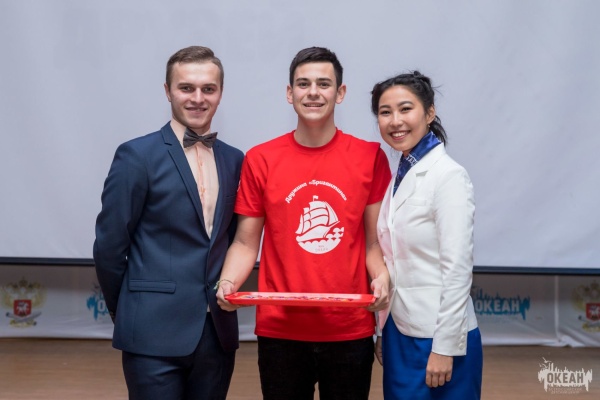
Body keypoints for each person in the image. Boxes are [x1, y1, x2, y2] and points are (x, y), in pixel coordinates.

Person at [215, 47, 392, 400]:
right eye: (303, 83)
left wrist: (382, 277)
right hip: (280, 331)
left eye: (324, 84)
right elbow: (245, 242)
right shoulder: (261, 159)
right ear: (289, 92)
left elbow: (373, 243)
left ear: (340, 93)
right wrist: (228, 281)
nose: (313, 92)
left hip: (349, 328)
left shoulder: (370, 156)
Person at [93, 45, 244, 400]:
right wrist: (126, 308)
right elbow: (110, 246)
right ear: (167, 91)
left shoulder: (235, 160)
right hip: (151, 330)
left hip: (216, 333)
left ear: (220, 93)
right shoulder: (136, 155)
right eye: (186, 88)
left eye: (208, 89)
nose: (198, 98)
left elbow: (234, 240)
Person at [371, 71, 483, 399]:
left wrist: (444, 347)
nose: (395, 121)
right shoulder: (401, 174)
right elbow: (393, 260)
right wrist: (382, 331)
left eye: (405, 109)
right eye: (385, 112)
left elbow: (457, 268)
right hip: (399, 331)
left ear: (429, 112)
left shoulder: (448, 176)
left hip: (439, 338)